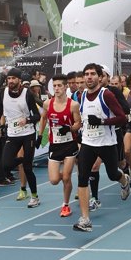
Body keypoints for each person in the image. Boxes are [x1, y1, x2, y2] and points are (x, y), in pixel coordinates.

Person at [73, 63, 131, 232]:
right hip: (88, 143)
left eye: (92, 74)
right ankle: (85, 219)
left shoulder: (106, 95)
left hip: (107, 143)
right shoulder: (82, 95)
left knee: (113, 174)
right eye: (86, 74)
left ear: (100, 77)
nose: (89, 77)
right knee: (82, 177)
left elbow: (122, 118)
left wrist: (102, 121)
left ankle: (124, 180)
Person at [0, 67, 41, 208]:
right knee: (6, 165)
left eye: (13, 78)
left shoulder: (27, 93)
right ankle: (25, 160)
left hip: (28, 134)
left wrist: (27, 120)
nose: (10, 81)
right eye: (8, 78)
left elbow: (37, 115)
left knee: (27, 168)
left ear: (19, 80)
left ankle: (34, 196)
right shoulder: (3, 93)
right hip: (13, 134)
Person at [38, 74, 81, 217]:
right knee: (54, 180)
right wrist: (40, 135)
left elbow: (78, 124)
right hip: (55, 145)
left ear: (65, 87)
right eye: (54, 86)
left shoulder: (73, 105)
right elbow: (43, 118)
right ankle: (68, 182)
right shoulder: (47, 104)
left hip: (70, 144)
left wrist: (69, 128)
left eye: (59, 86)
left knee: (67, 177)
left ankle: (66, 204)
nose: (56, 88)